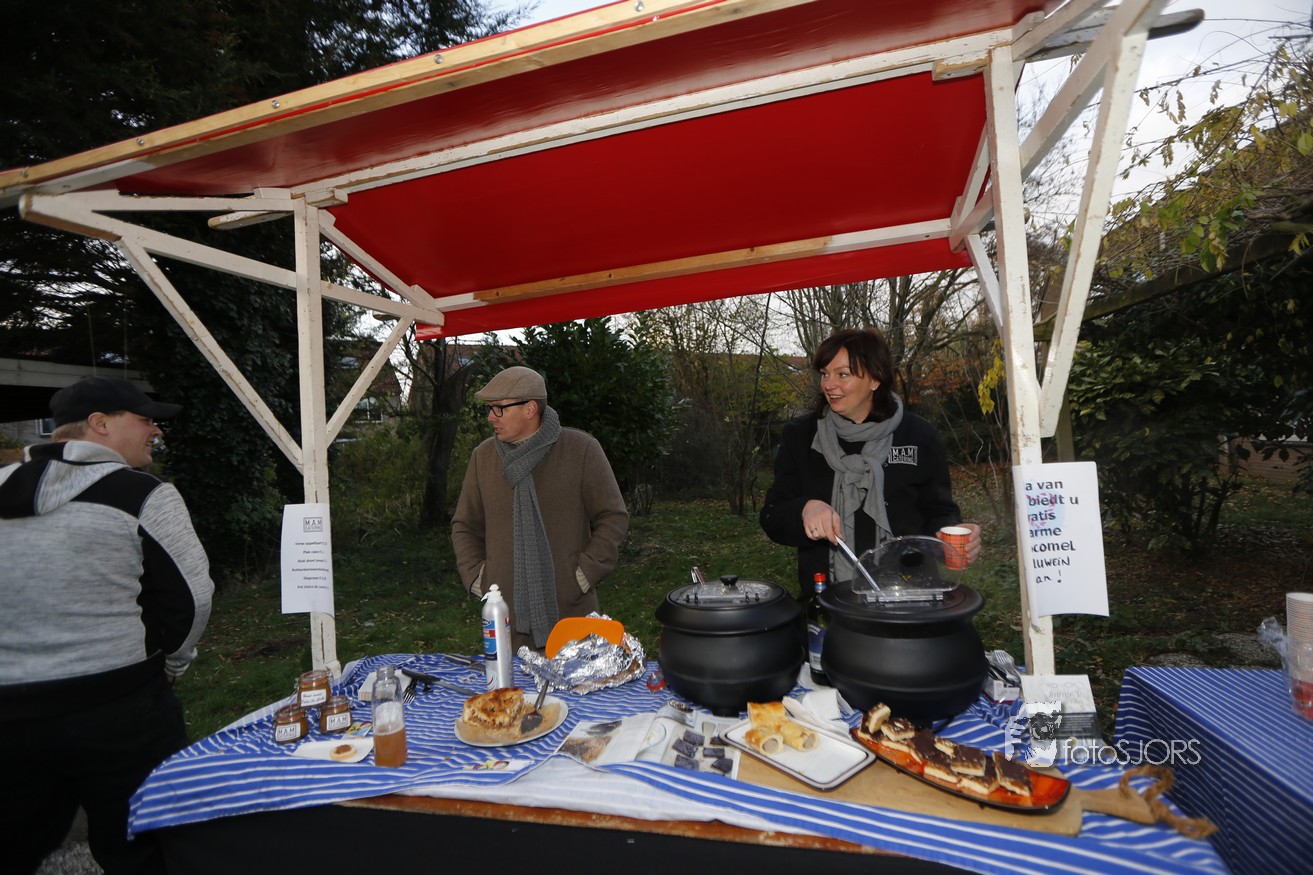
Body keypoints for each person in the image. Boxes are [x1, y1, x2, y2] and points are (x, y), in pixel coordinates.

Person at [0, 376, 214, 875]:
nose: (156, 431)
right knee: (145, 846)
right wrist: (174, 665)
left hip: (10, 714)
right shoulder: (144, 494)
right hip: (120, 707)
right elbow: (192, 599)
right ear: (99, 423)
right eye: (145, 420)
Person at [760, 328, 981, 601]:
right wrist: (805, 508)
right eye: (825, 373)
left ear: (875, 379)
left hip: (910, 598)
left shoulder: (917, 434)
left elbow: (939, 510)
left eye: (843, 374)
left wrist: (953, 539)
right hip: (829, 600)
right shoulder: (801, 436)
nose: (829, 384)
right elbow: (772, 516)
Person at [452, 366, 630, 652]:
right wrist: (477, 576)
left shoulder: (581, 450)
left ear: (530, 409)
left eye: (499, 409)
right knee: (508, 683)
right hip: (505, 617)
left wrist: (585, 573)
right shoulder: (483, 458)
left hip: (571, 613)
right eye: (489, 408)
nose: (490, 417)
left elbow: (613, 516)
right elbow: (464, 525)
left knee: (577, 682)